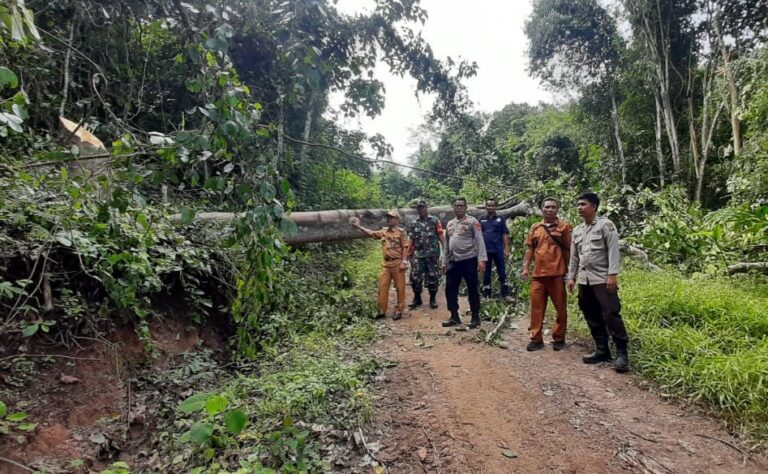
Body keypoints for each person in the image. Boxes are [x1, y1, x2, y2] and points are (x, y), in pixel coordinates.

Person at [567, 192, 629, 373]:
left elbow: (613, 251)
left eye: (583, 204)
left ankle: (622, 353)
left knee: (610, 313)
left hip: (602, 278)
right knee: (590, 312)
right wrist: (571, 277)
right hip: (584, 279)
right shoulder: (578, 230)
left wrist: (612, 275)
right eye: (578, 204)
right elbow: (574, 257)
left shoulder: (606, 225)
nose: (579, 207)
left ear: (593, 206)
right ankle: (602, 349)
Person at [522, 198, 572, 352]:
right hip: (538, 275)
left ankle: (559, 338)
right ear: (542, 209)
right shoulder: (535, 227)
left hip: (557, 274)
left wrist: (571, 271)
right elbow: (530, 249)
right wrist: (525, 268)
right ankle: (536, 339)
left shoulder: (564, 227)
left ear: (558, 209)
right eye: (547, 207)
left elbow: (569, 249)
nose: (549, 209)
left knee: (560, 308)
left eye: (553, 207)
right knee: (536, 308)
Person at [351, 211, 409, 320]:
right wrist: (359, 226)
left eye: (391, 218)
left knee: (400, 288)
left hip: (397, 263)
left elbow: (405, 247)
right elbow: (371, 233)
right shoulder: (384, 231)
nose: (389, 219)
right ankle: (381, 310)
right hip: (386, 263)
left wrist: (404, 262)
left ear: (397, 220)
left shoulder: (401, 232)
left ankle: (399, 310)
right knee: (382, 286)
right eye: (388, 217)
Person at [442, 197, 487, 329]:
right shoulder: (450, 223)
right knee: (450, 289)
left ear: (466, 208)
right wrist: (444, 261)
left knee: (472, 289)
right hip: (453, 261)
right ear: (453, 208)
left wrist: (481, 259)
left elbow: (479, 240)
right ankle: (454, 316)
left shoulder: (472, 221)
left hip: (469, 260)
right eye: (457, 206)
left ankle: (475, 317)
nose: (459, 208)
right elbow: (446, 245)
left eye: (462, 205)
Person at [406, 200, 445, 310]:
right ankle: (417, 298)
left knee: (433, 276)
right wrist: (408, 252)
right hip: (418, 255)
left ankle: (432, 299)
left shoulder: (434, 220)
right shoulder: (414, 222)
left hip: (432, 254)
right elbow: (411, 238)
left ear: (426, 208)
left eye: (422, 207)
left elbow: (441, 235)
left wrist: (445, 249)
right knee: (415, 277)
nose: (421, 210)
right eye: (419, 208)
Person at [479, 198, 511, 301]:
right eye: (489, 205)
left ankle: (505, 294)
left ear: (495, 207)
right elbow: (478, 236)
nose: (490, 207)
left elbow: (504, 234)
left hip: (498, 250)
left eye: (493, 205)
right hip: (486, 251)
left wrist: (506, 249)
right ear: (485, 207)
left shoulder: (500, 219)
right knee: (486, 273)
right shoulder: (481, 219)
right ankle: (487, 294)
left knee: (502, 272)